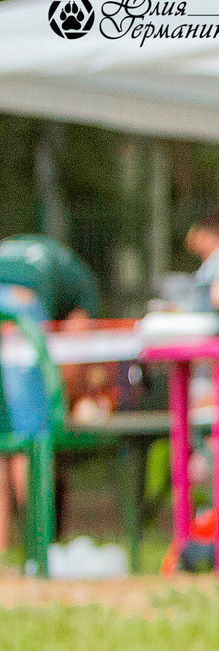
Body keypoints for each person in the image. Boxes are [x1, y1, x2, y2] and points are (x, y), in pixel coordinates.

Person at [0, 234, 102, 562]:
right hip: (19, 308)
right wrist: (72, 397)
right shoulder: (81, 280)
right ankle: (39, 549)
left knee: (3, 438)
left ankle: (2, 549)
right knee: (31, 439)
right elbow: (78, 339)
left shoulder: (17, 250)